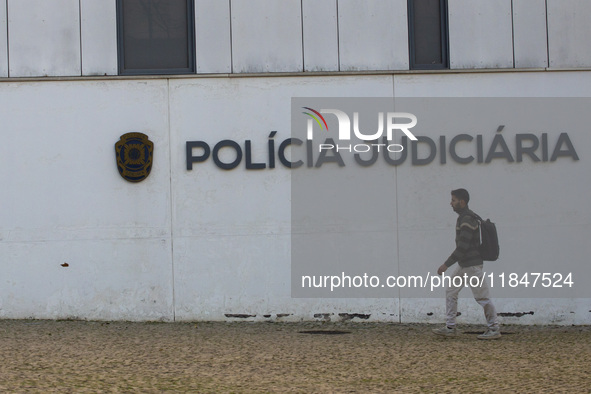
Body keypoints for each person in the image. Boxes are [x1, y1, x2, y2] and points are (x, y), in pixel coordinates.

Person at [432, 188, 500, 340]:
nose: (451, 203)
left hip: (471, 266)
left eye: (454, 200)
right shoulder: (466, 217)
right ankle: (450, 327)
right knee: (451, 291)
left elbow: (463, 247)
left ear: (462, 202)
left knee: (482, 297)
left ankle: (494, 328)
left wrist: (446, 265)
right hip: (465, 265)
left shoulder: (467, 219)